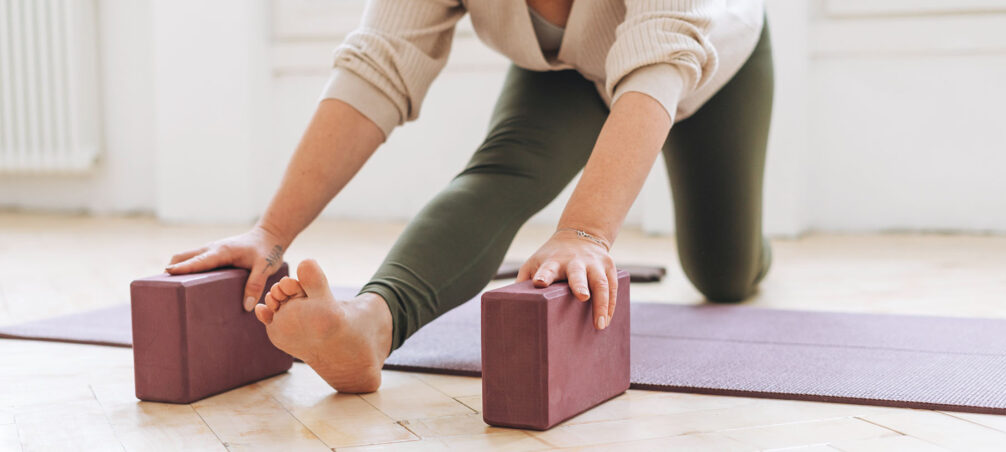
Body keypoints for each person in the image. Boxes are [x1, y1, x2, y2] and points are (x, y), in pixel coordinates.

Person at [166, 0, 773, 393]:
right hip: (568, 71)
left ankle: (756, 254)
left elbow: (661, 57)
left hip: (711, 65)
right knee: (503, 170)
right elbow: (380, 65)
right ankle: (369, 327)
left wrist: (584, 232)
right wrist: (269, 233)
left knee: (724, 272)